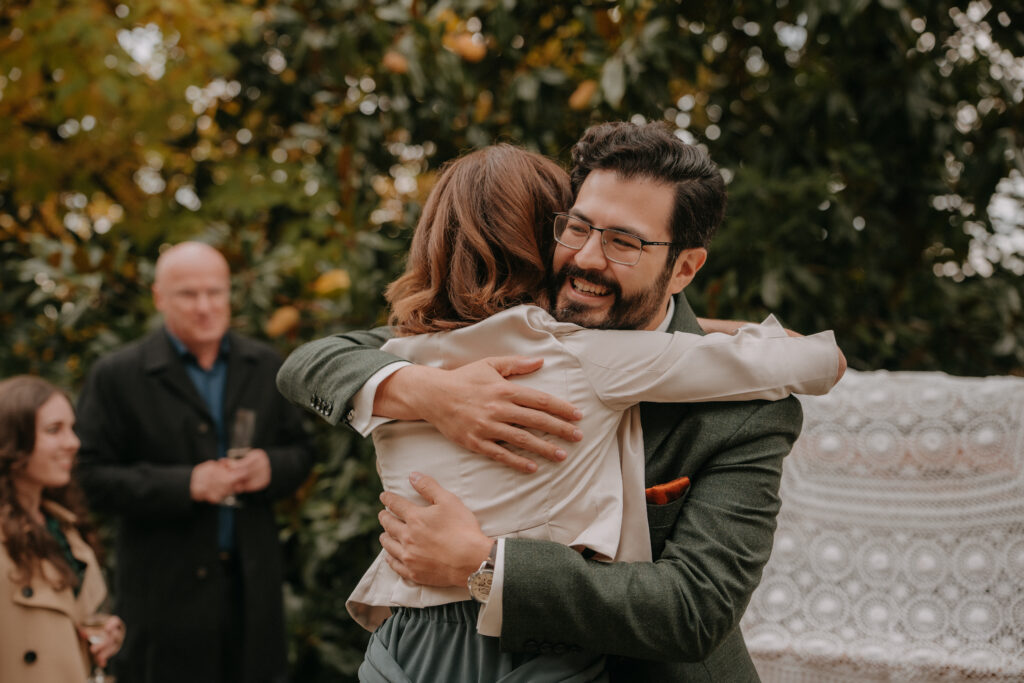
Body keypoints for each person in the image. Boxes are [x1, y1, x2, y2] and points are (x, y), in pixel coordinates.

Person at [278, 128, 845, 680]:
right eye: (577, 228)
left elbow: (692, 609)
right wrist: (433, 393)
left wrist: (483, 564)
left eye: (624, 242)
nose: (587, 259)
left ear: (685, 269)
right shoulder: (498, 341)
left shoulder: (748, 408)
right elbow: (314, 362)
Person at [74, 242, 315, 683]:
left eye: (215, 292)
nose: (204, 307)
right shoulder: (117, 376)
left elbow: (301, 451)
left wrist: (271, 468)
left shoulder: (264, 366)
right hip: (162, 600)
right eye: (188, 294)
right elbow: (88, 477)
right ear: (159, 298)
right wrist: (185, 484)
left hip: (251, 593)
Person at [0, 375, 124, 682]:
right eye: (54, 430)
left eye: (71, 428)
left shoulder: (63, 524)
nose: (73, 443)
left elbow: (76, 614)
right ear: (12, 442)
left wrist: (109, 633)